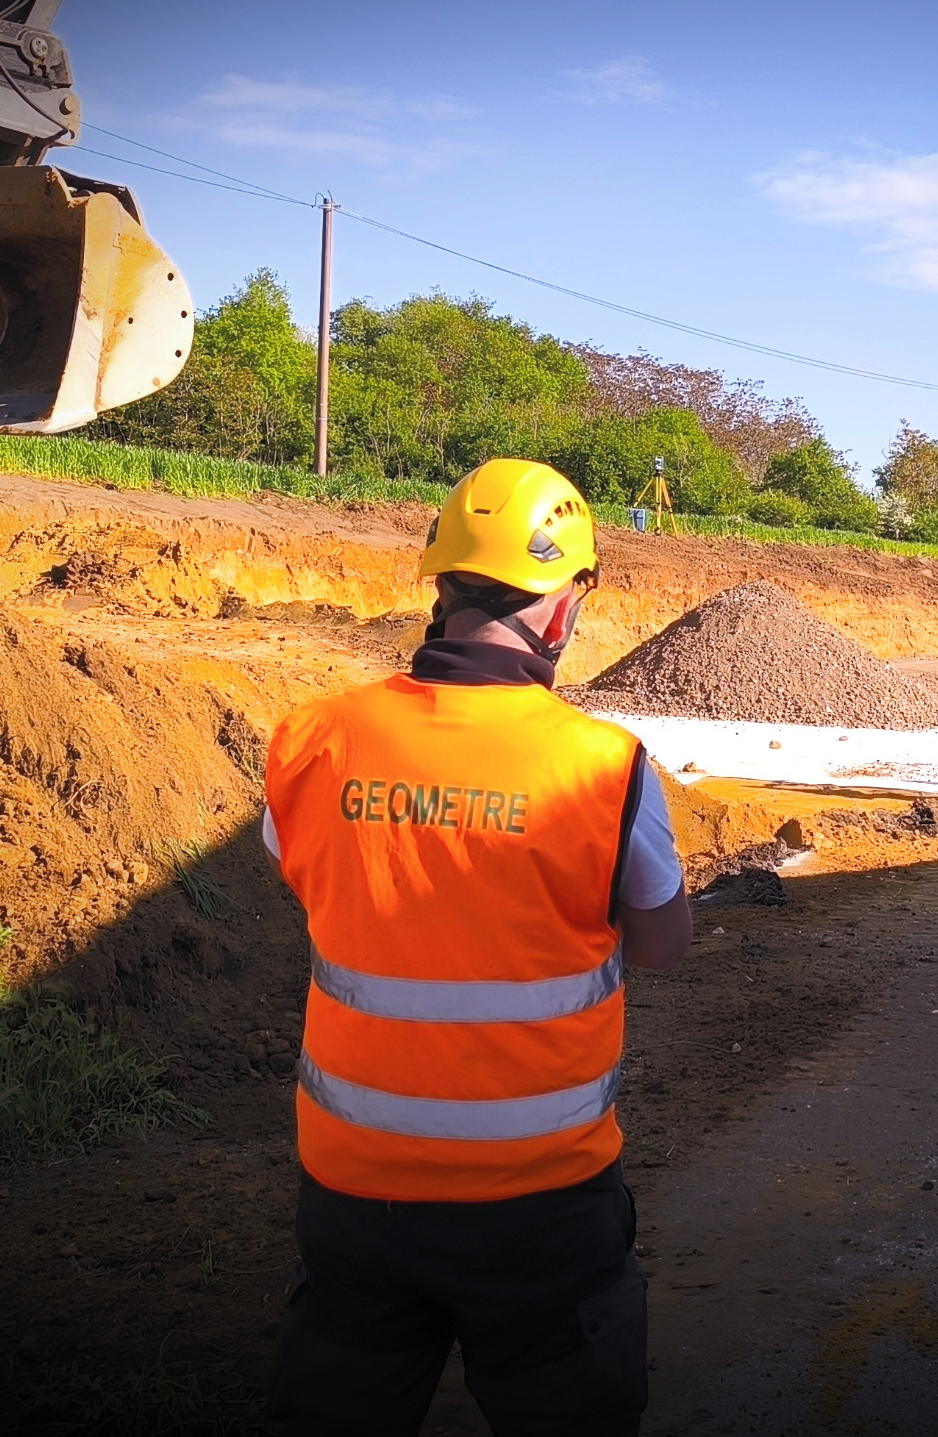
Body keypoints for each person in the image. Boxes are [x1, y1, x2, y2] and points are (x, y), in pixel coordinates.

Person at [258, 458, 692, 1436]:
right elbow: (664, 943)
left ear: (442, 585)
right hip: (541, 1207)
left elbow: (306, 873)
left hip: (354, 1196)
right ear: (560, 609)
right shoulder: (602, 766)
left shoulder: (317, 738)